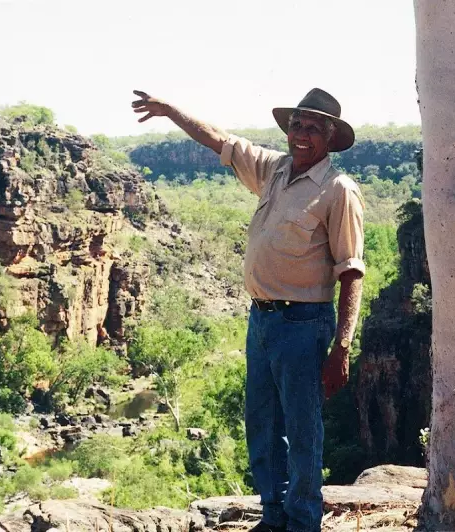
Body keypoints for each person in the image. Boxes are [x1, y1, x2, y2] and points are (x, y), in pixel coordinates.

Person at [131, 88, 365, 532]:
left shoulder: (339, 190)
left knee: (302, 429)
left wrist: (342, 347)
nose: (302, 134)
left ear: (331, 138)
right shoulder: (274, 170)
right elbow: (219, 139)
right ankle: (274, 515)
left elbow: (351, 271)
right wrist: (170, 111)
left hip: (303, 324)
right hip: (262, 319)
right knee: (263, 424)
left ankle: (302, 522)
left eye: (313, 128)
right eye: (297, 125)